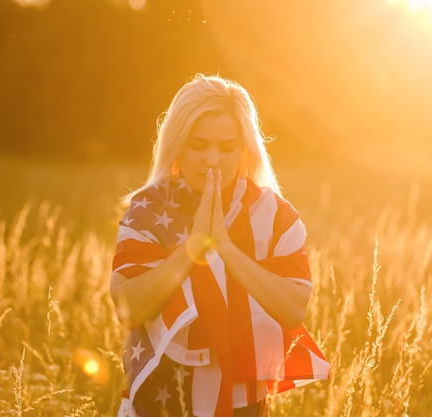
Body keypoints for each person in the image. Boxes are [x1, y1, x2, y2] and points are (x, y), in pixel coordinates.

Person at [110, 73, 330, 417]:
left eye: (227, 148)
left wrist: (226, 248)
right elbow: (129, 308)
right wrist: (193, 247)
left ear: (244, 150)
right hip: (161, 398)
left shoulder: (275, 216)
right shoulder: (148, 210)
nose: (212, 160)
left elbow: (293, 308)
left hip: (243, 403)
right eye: (199, 146)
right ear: (178, 145)